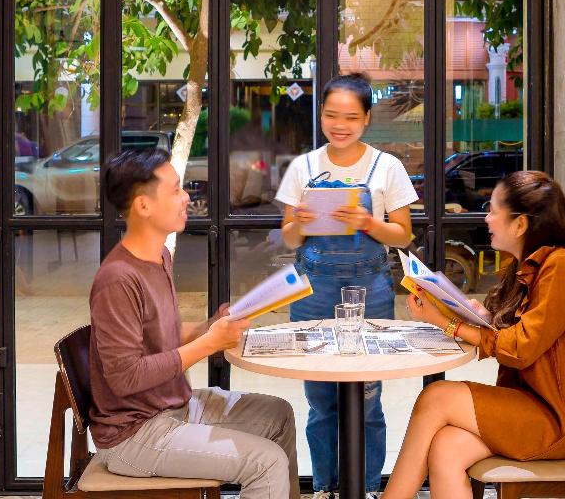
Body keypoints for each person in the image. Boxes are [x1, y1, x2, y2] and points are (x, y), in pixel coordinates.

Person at [382, 170, 565, 499]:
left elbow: (522, 348)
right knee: (446, 447)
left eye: (492, 210)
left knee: (435, 397)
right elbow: (528, 333)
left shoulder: (559, 265)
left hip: (561, 421)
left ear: (520, 224)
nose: (486, 218)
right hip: (532, 404)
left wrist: (448, 324)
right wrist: (472, 316)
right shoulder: (527, 264)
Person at [89, 148, 300, 499]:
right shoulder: (118, 279)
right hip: (134, 435)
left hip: (175, 408)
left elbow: (163, 336)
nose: (187, 197)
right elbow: (124, 376)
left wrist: (210, 326)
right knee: (267, 462)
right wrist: (210, 343)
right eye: (175, 190)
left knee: (278, 414)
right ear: (143, 205)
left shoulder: (159, 256)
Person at [275, 73, 418, 499]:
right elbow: (288, 239)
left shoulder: (387, 167)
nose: (340, 125)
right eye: (331, 115)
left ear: (367, 118)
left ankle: (368, 488)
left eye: (351, 117)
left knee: (368, 400)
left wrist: (369, 223)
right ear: (320, 114)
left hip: (370, 291)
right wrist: (299, 224)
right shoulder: (302, 167)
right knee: (320, 403)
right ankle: (324, 488)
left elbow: (403, 235)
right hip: (312, 294)